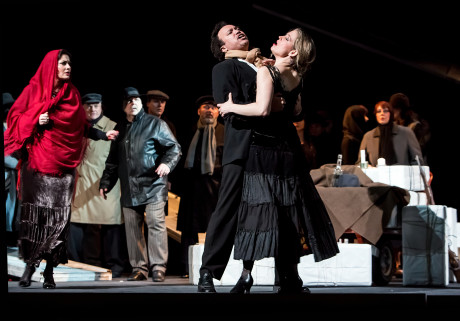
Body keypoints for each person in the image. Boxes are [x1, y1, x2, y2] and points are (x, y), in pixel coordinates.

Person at [218, 27, 339, 294]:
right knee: (287, 214)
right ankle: (290, 278)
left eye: (285, 39)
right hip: (288, 153)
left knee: (255, 212)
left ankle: (247, 275)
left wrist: (229, 107)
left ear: (293, 51)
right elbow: (295, 112)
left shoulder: (267, 71)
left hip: (263, 151)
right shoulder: (297, 76)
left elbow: (261, 110)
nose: (278, 38)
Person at [3, 49, 118, 289]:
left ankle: (48, 271)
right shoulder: (33, 90)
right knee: (36, 218)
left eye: (69, 63)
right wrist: (36, 119)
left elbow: (81, 127)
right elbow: (15, 118)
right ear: (50, 66)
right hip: (37, 166)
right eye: (63, 63)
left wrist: (102, 134)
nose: (68, 67)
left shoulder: (73, 94)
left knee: (58, 221)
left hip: (63, 170)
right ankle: (30, 267)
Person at [197, 21, 272, 293]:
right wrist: (262, 104)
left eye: (239, 27)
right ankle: (208, 272)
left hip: (269, 150)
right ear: (223, 46)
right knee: (227, 210)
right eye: (230, 32)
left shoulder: (263, 66)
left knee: (259, 213)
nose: (238, 30)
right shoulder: (225, 67)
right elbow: (228, 108)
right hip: (242, 148)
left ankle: (248, 273)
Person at [99, 87, 181, 282]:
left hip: (153, 184)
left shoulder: (155, 123)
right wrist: (105, 183)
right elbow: (113, 161)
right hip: (130, 186)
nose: (133, 103)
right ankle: (139, 268)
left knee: (155, 224)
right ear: (123, 106)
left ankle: (158, 267)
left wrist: (166, 164)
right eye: (129, 101)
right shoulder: (120, 129)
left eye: (136, 100)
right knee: (133, 229)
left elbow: (174, 148)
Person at [68, 93, 128, 278]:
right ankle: (78, 264)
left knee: (111, 225)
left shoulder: (112, 127)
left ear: (102, 107)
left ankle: (115, 264)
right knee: (76, 225)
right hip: (80, 183)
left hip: (104, 182)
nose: (92, 109)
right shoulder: (76, 127)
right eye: (88, 105)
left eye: (96, 105)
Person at [176, 95, 224, 278]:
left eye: (213, 107)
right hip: (192, 189)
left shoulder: (224, 132)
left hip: (216, 189)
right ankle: (188, 268)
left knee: (216, 229)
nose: (210, 110)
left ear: (219, 111)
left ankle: (214, 267)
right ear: (199, 111)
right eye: (206, 107)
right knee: (189, 229)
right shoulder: (190, 132)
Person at [357, 100, 423, 166]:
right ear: (376, 115)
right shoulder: (368, 136)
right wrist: (368, 167)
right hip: (375, 175)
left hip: (401, 174)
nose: (382, 114)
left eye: (385, 111)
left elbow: (417, 160)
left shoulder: (406, 132)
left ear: (391, 113)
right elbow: (359, 163)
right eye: (379, 111)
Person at [389, 92, 431, 164]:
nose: (392, 111)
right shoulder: (394, 125)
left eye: (394, 108)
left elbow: (418, 152)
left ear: (400, 109)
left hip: (412, 167)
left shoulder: (416, 126)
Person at [3, 92, 19, 244]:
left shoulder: (15, 127)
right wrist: (18, 164)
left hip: (14, 176)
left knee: (12, 207)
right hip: (9, 172)